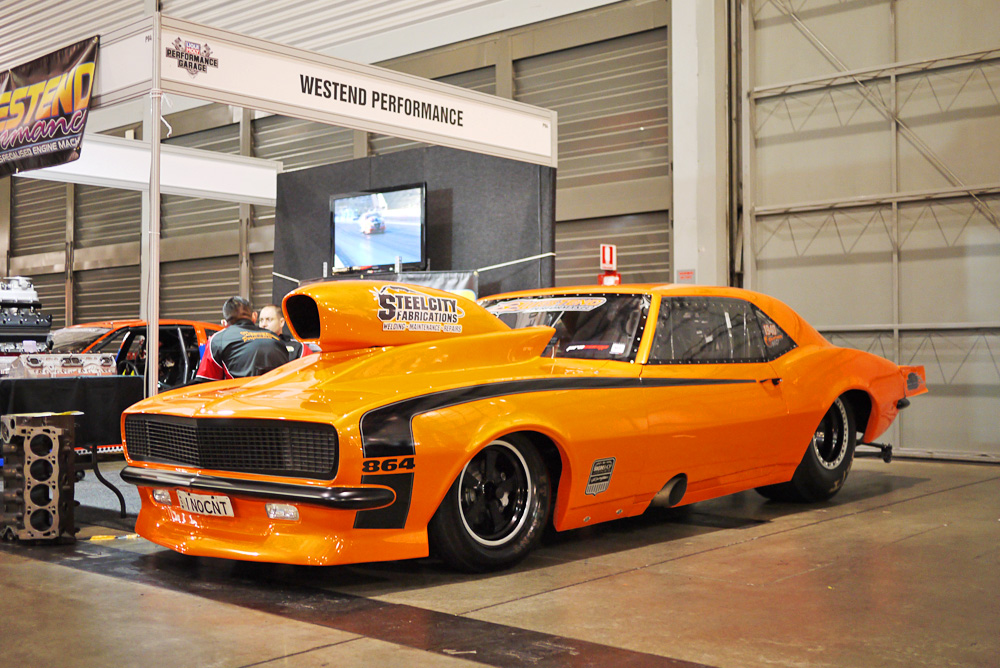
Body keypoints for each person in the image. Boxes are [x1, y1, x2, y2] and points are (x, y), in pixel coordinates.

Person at [194, 296, 289, 382]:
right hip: (277, 394)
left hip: (241, 395)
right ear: (254, 317)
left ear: (225, 321)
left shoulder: (218, 340)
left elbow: (206, 383)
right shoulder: (275, 338)